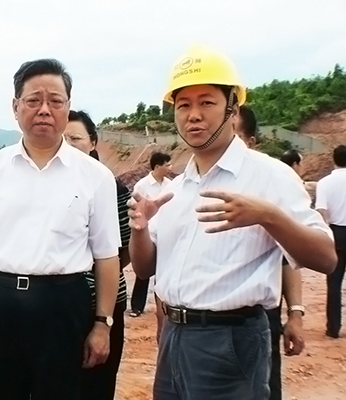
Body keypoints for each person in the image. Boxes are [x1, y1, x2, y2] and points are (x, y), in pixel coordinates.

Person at [128, 46, 336, 400]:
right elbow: (145, 268)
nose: (194, 115)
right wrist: (141, 228)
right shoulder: (177, 188)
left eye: (206, 102)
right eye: (183, 105)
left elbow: (327, 258)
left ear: (232, 109)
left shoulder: (269, 175)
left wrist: (267, 215)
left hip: (230, 339)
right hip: (174, 336)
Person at [0, 59, 120, 400]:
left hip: (62, 306)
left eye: (55, 101)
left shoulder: (95, 177)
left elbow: (107, 257)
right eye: (33, 100)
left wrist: (103, 323)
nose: (44, 110)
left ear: (68, 106)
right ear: (15, 107)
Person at [236, 109, 306, 400]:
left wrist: (296, 313)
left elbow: (289, 258)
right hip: (202, 333)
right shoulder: (191, 186)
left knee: (264, 386)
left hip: (257, 319)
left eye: (234, 135)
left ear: (251, 142)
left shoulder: (270, 185)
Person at [63, 109, 131, 400]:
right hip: (59, 305)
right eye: (63, 138)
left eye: (75, 138)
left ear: (93, 143)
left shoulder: (112, 187)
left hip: (103, 303)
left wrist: (100, 272)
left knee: (97, 383)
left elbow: (124, 250)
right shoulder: (49, 186)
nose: (68, 144)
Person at [130, 152, 171, 319]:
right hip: (147, 232)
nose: (170, 168)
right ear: (157, 166)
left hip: (164, 231)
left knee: (162, 271)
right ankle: (137, 306)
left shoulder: (170, 185)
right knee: (143, 272)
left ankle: (162, 308)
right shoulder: (142, 185)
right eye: (167, 165)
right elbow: (135, 209)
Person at [316, 144, 346, 339]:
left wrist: (327, 232)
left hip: (336, 233)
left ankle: (333, 327)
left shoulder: (325, 183)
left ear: (333, 159)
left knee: (334, 282)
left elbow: (322, 210)